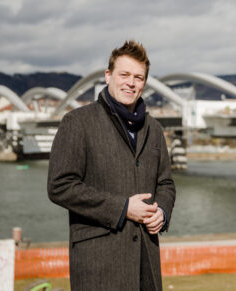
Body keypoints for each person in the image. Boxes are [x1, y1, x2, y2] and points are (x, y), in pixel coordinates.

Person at [48, 40, 176, 291]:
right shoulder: (78, 122)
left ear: (144, 83)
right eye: (124, 74)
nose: (131, 82)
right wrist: (123, 208)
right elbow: (60, 186)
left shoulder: (155, 129)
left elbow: (166, 183)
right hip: (99, 264)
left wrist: (162, 211)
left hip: (146, 263)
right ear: (108, 76)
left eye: (138, 77)